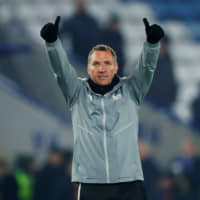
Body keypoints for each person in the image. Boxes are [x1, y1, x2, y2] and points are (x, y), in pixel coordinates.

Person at [40, 16, 164, 200]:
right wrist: (52, 44)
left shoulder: (131, 91)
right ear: (88, 68)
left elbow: (147, 68)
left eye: (107, 63)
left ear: (115, 67)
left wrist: (152, 45)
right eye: (96, 63)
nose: (102, 68)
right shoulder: (76, 93)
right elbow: (61, 70)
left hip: (128, 185)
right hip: (91, 185)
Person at [60, 0, 100, 67]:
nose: (81, 6)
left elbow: (98, 37)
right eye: (79, 4)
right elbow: (61, 34)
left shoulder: (91, 21)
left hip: (90, 54)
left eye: (82, 4)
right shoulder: (72, 20)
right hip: (77, 55)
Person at [146, 35, 177, 109]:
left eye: (165, 46)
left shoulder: (168, 62)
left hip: (165, 104)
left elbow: (171, 83)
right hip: (149, 105)